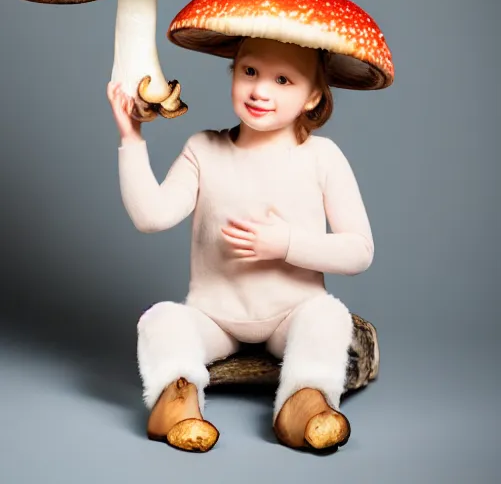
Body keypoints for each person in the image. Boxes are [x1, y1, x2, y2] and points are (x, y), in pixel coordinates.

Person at [107, 35, 375, 453]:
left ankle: (305, 403)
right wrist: (132, 138)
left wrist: (284, 243)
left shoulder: (322, 157)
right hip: (215, 316)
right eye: (250, 71)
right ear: (234, 70)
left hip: (292, 312)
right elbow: (151, 216)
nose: (259, 90)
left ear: (312, 97)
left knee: (328, 315)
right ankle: (178, 402)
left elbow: (359, 251)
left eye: (283, 80)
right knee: (160, 319)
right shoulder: (204, 149)